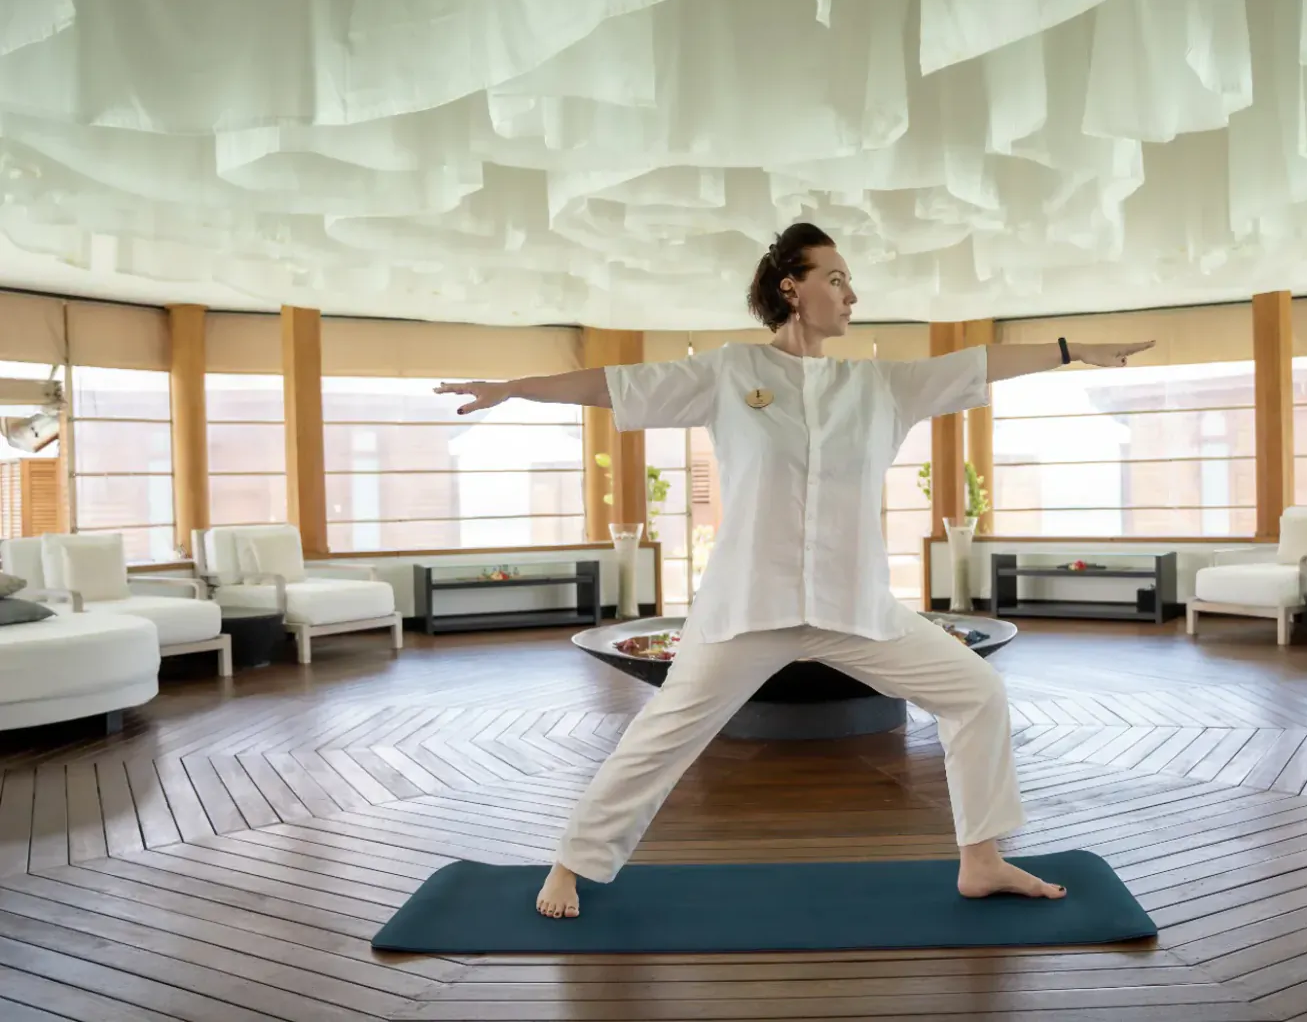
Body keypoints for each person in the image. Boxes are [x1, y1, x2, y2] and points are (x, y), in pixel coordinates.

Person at [435, 222, 1154, 920]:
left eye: (851, 282)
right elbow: (617, 385)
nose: (850, 295)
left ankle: (982, 858)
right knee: (662, 736)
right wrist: (517, 387)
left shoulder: (882, 385)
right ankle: (572, 860)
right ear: (791, 286)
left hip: (855, 607)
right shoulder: (728, 372)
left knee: (976, 691)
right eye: (836, 278)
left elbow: (977, 364)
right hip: (750, 604)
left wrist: (1072, 348)